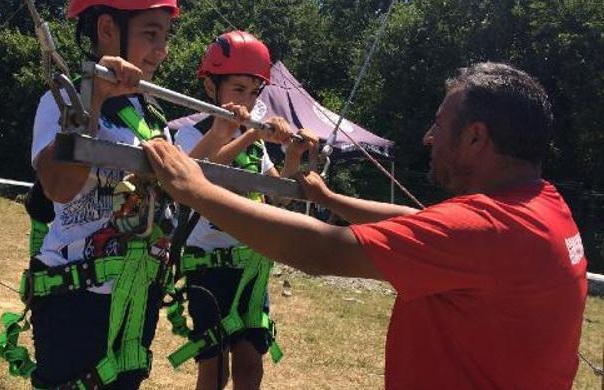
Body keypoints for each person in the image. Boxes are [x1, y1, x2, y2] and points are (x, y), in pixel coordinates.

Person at [142, 62, 588, 389]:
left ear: (475, 137)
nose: (428, 138)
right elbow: (419, 222)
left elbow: (323, 251)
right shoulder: (543, 206)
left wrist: (194, 188)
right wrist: (331, 199)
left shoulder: (488, 229)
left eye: (438, 125)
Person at [20, 0, 183, 388]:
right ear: (108, 29)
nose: (162, 50)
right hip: (75, 299)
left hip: (135, 293)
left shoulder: (153, 118)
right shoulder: (60, 101)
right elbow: (58, 186)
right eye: (151, 33)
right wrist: (93, 97)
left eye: (165, 36)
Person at [170, 30, 317, 389]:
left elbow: (275, 198)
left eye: (254, 93)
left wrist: (293, 159)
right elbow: (197, 179)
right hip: (208, 267)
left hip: (250, 266)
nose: (248, 102)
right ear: (210, 88)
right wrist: (249, 134)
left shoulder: (255, 148)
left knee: (251, 365)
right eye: (238, 90)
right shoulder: (189, 136)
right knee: (214, 366)